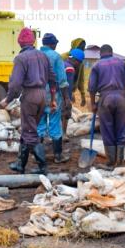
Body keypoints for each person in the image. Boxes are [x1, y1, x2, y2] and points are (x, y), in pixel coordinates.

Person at [0, 27, 57, 174]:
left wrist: (8, 99)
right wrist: (53, 99)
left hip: (30, 96)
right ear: (32, 41)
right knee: (29, 129)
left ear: (20, 43)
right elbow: (52, 78)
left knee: (30, 132)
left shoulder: (21, 58)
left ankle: (43, 167)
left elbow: (15, 84)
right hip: (43, 96)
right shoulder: (43, 56)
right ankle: (21, 164)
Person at [88, 44, 125, 167]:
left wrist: (93, 104)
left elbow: (92, 88)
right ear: (112, 52)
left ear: (100, 54)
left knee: (107, 129)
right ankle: (120, 161)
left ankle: (111, 161)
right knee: (121, 128)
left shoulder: (97, 65)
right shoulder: (121, 62)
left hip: (105, 98)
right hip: (121, 97)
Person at [37, 33, 71, 164]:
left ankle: (38, 157)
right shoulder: (56, 56)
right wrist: (66, 98)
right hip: (52, 95)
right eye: (55, 43)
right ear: (52, 44)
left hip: (37, 96)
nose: (56, 45)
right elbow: (62, 80)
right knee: (55, 123)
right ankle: (57, 156)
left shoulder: (35, 55)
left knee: (40, 125)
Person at [62, 47, 84, 139]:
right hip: (65, 95)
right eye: (79, 63)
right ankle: (63, 134)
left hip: (58, 94)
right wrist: (69, 98)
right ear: (75, 60)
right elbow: (68, 84)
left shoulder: (62, 64)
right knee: (65, 114)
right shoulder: (70, 68)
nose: (79, 65)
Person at [61, 38, 86, 106]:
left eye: (83, 48)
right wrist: (68, 96)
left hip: (69, 90)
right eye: (80, 47)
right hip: (61, 91)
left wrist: (83, 96)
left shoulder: (80, 61)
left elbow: (81, 79)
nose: (82, 50)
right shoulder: (62, 57)